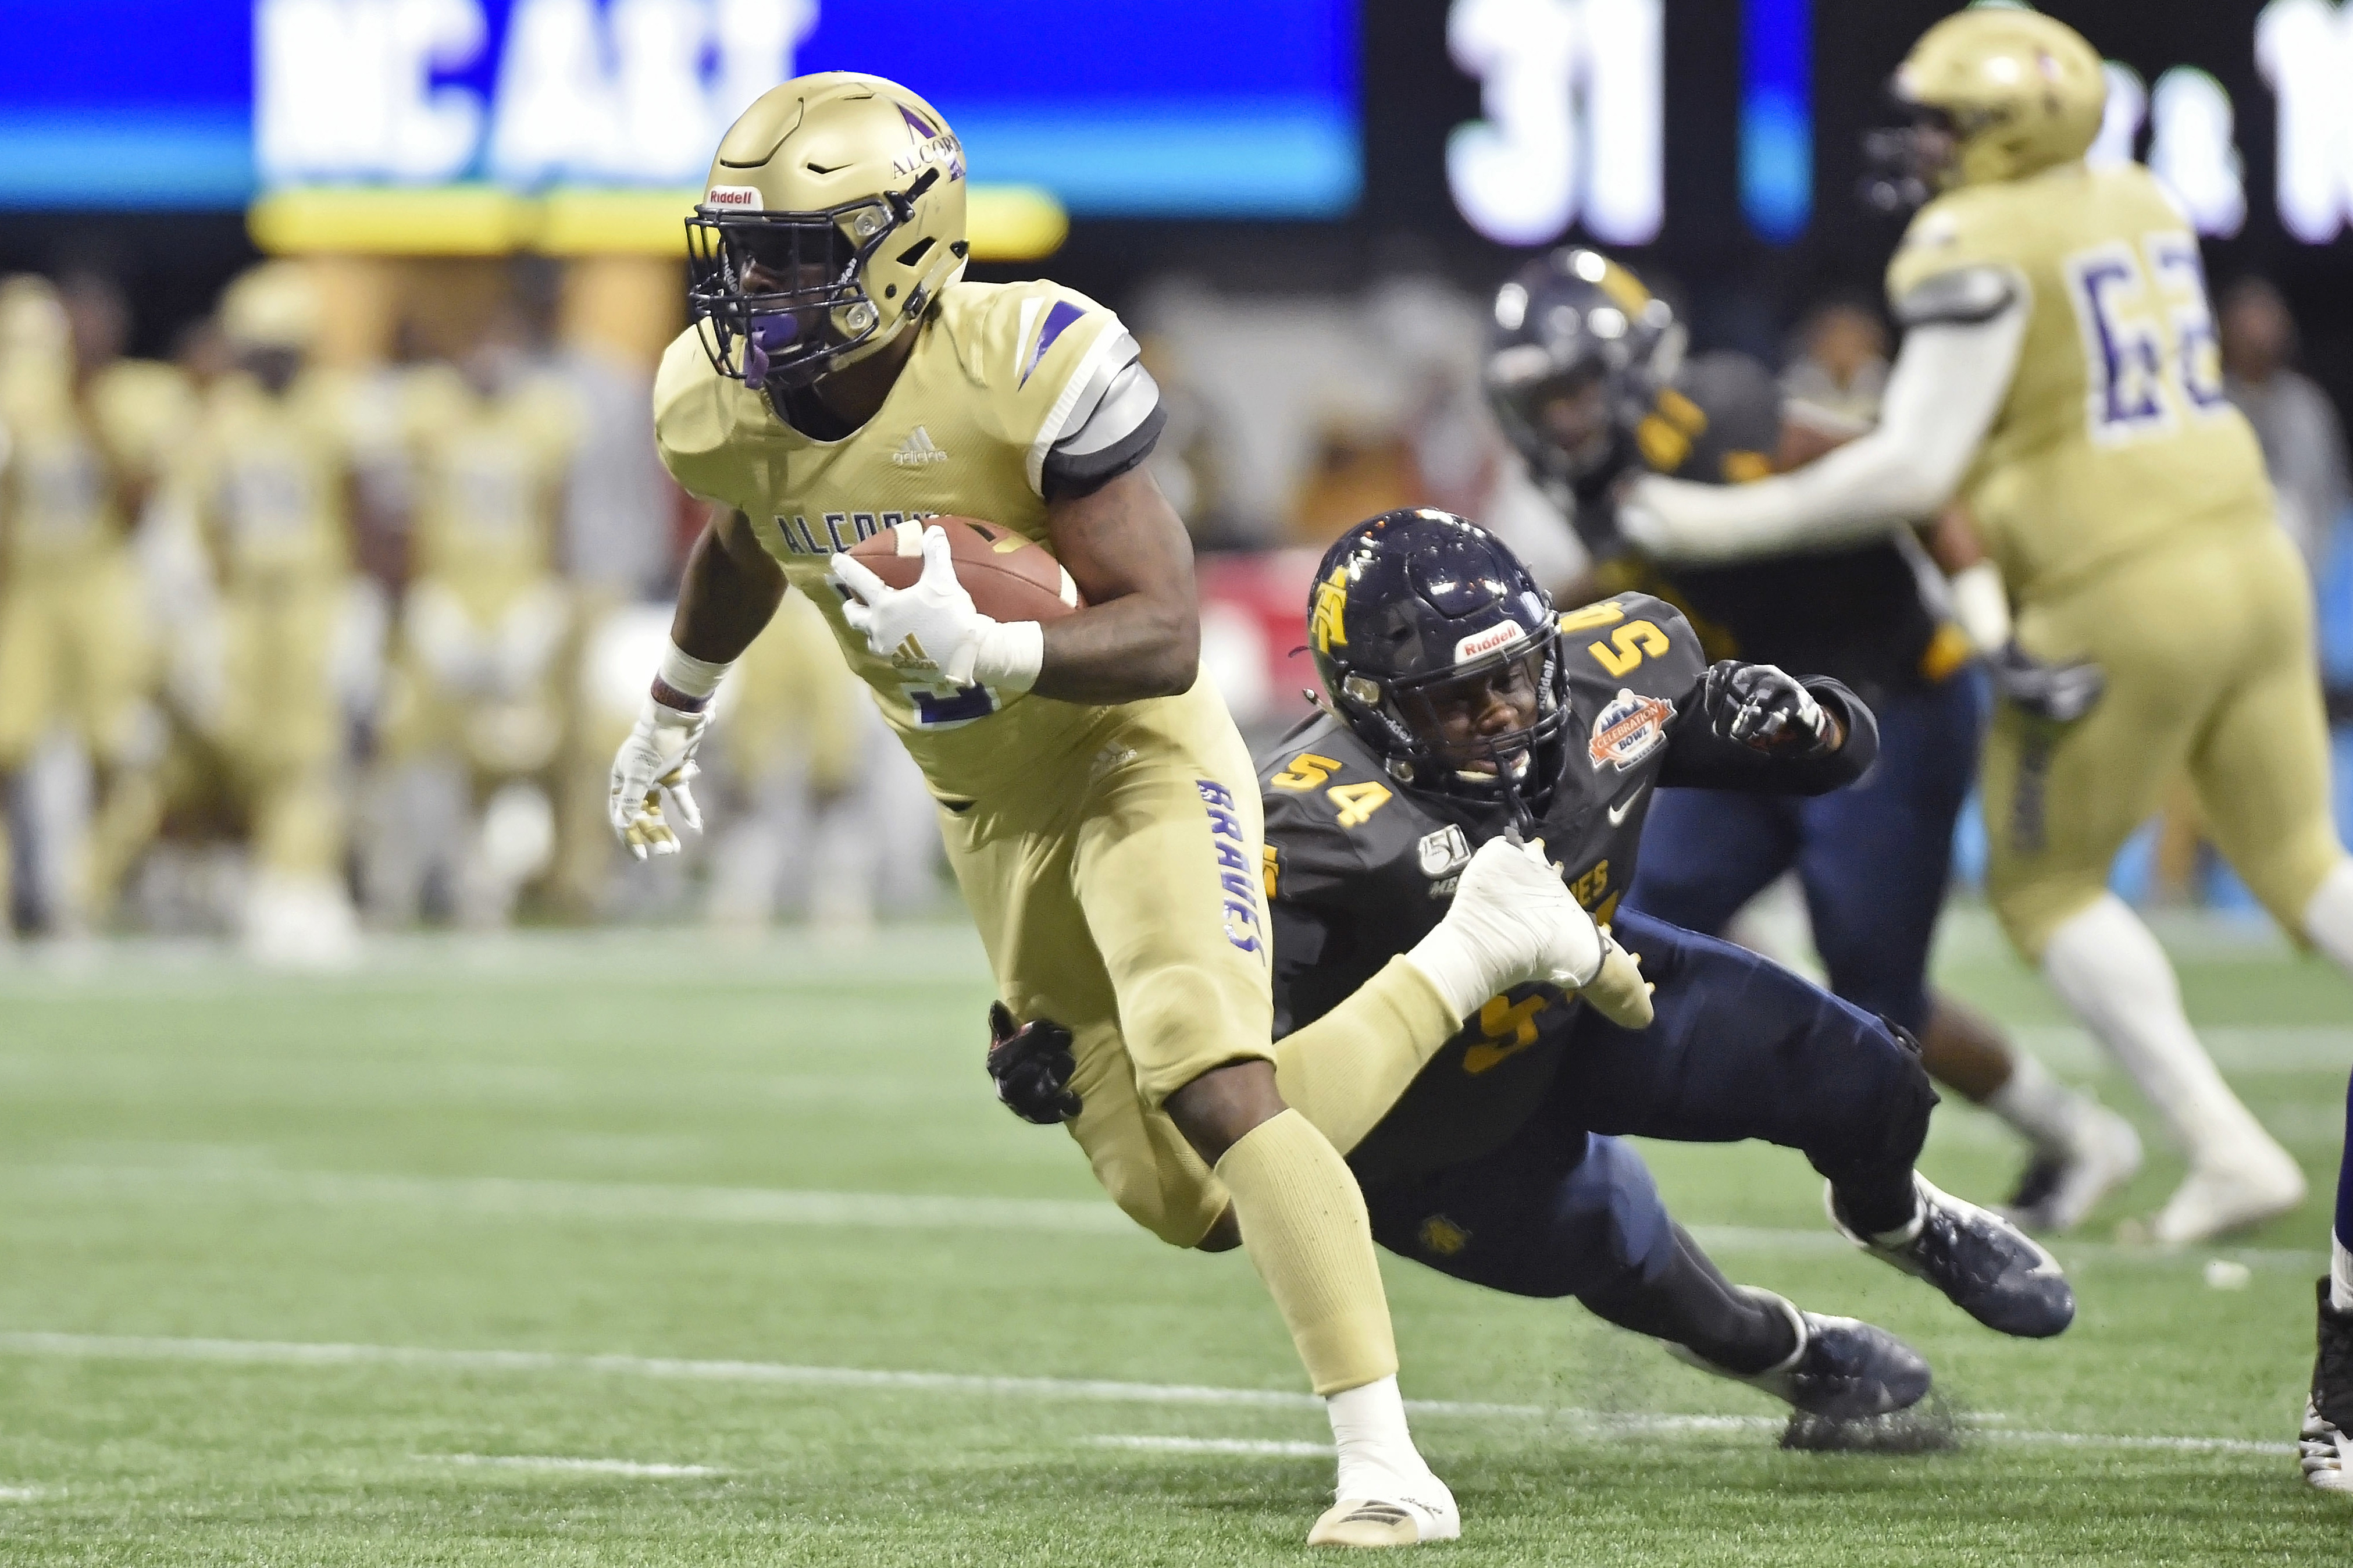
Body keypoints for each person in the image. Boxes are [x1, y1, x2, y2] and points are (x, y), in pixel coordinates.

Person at [607, 72, 1644, 1548]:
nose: (758, 288)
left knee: (1218, 1083)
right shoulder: (723, 403)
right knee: (1186, 1196)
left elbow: (1168, 635)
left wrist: (1000, 645)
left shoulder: (1023, 361)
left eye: (797, 253)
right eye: (747, 252)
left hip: (1128, 754)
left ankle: (1386, 1462)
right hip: (990, 811)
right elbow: (747, 536)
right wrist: (671, 710)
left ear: (905, 246)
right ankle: (1478, 946)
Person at [992, 511, 2072, 1421]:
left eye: (1514, 675)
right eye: (1456, 699)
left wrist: (1810, 721)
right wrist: (1085, 1052)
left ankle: (1897, 1216)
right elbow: (1209, 1031)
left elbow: (1846, 758)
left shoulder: (1615, 670)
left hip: (1597, 989)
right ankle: (1783, 1352)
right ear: (1366, 704)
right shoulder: (1312, 825)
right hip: (1428, 1118)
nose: (1503, 713)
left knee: (1865, 1073)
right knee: (1618, 1251)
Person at [1620, 8, 2346, 1250]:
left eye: (1945, 120)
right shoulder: (2133, 196)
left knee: (2045, 882)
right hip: (2252, 547)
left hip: (2116, 575)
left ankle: (2221, 1143)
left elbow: (1912, 466)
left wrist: (1705, 524)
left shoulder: (1974, 237)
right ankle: (2204, 1143)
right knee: (2302, 863)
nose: (1924, 145)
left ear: (2007, 125)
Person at [1484, 247, 2138, 1232]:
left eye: (1578, 389)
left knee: (1877, 993)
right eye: (1544, 400)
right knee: (1627, 903)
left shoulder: (1733, 421)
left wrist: (1992, 628)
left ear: (1629, 370)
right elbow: (1642, 572)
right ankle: (1567, 1154)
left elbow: (1913, 483)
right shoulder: (1600, 476)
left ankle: (2073, 1137)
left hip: (1885, 715)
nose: (1564, 419)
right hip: (1752, 726)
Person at [169, 262, 368, 962]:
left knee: (312, 752)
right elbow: (208, 521)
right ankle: (273, 884)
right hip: (249, 603)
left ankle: (304, 886)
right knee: (253, 749)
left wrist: (358, 602)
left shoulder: (330, 407)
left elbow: (355, 505)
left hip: (314, 596)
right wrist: (209, 611)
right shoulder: (224, 415)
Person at [2220, 277, 2350, 579]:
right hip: (2226, 568)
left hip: (2303, 567)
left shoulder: (2306, 405)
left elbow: (2330, 498)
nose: (2258, 333)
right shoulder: (2212, 405)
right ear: (2226, 328)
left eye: (2267, 318)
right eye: (2248, 320)